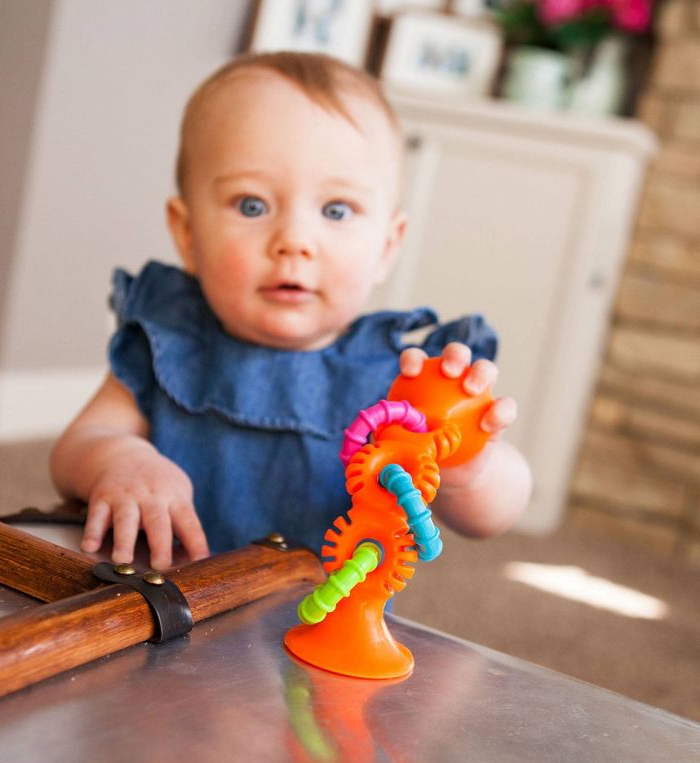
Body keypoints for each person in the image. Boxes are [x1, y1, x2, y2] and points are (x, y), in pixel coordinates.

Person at [50, 51, 532, 572]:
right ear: (188, 235)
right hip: (157, 613)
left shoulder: (403, 383)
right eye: (252, 206)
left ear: (387, 247)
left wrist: (470, 471)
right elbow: (78, 446)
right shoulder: (169, 342)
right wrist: (121, 459)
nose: (294, 241)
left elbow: (493, 518)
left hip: (325, 629)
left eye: (336, 210)